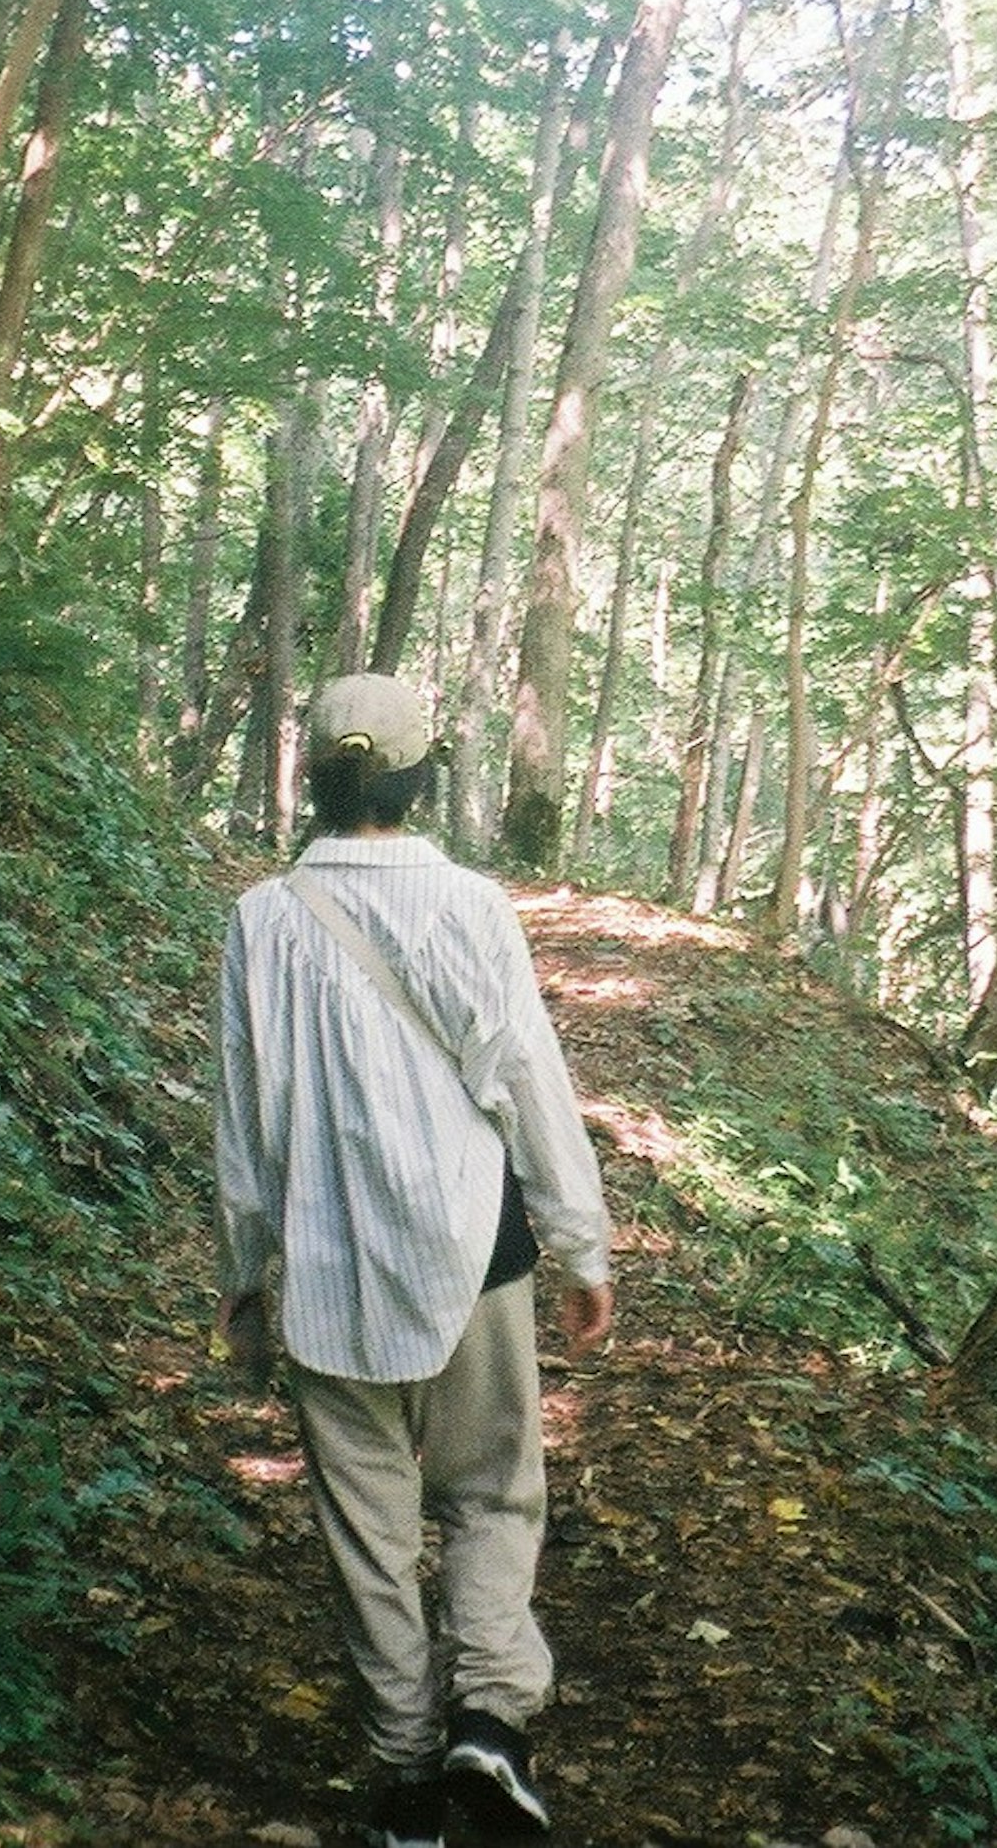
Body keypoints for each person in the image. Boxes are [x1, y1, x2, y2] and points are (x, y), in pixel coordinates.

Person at [212, 674, 616, 1847]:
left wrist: (245, 1272)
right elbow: (528, 1083)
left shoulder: (263, 918)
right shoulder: (473, 904)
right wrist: (580, 1243)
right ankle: (489, 1721)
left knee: (367, 1526)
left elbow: (246, 1119)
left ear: (320, 781)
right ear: (415, 776)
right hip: (473, 1250)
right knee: (494, 1487)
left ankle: (402, 1776)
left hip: (331, 1262)